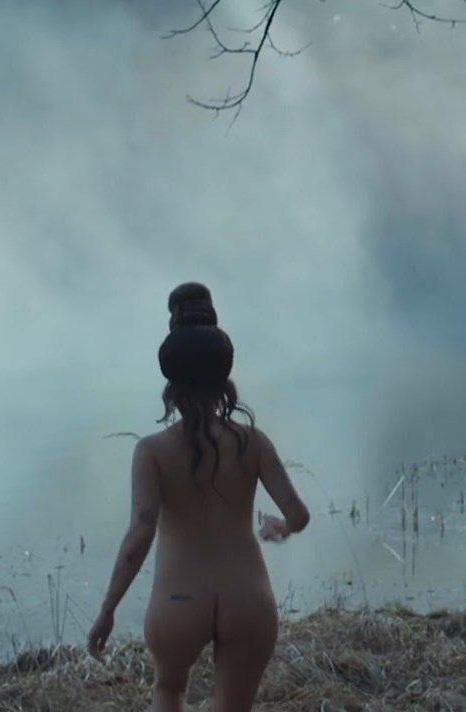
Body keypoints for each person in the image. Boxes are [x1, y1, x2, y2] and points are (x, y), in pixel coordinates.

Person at [88, 300, 312, 712]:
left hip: (178, 601)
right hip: (248, 599)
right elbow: (299, 515)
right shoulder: (253, 442)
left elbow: (139, 536)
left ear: (171, 386)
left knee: (169, 690)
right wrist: (280, 526)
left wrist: (108, 610)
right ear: (224, 382)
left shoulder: (152, 451)